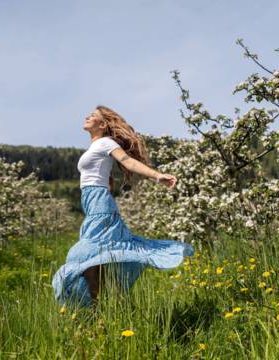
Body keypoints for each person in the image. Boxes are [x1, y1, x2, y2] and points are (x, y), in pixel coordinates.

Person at [51, 105, 195, 309]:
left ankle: (105, 309)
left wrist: (157, 175)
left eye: (93, 116)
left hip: (100, 206)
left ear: (102, 124)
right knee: (95, 263)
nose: (87, 116)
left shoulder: (105, 142)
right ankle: (104, 310)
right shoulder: (95, 146)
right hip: (93, 204)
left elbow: (127, 161)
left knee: (83, 256)